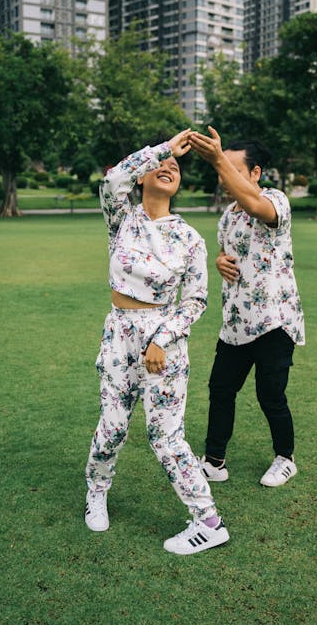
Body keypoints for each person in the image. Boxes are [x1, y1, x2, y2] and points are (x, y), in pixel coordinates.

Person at [84, 129, 229, 555]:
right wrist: (164, 149)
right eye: (160, 166)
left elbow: (197, 299)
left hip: (164, 344)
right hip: (119, 335)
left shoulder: (189, 238)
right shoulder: (122, 217)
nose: (168, 168)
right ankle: (97, 490)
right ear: (144, 175)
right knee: (111, 429)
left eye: (175, 168)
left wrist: (162, 339)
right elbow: (112, 180)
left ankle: (208, 520)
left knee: (166, 437)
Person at [188, 127, 305, 487]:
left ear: (255, 173)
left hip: (274, 320)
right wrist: (221, 262)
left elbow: (257, 207)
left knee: (270, 394)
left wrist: (218, 157)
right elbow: (228, 253)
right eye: (222, 170)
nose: (225, 177)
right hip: (236, 322)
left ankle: (285, 458)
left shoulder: (275, 200)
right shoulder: (227, 216)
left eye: (235, 170)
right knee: (221, 389)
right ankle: (213, 461)